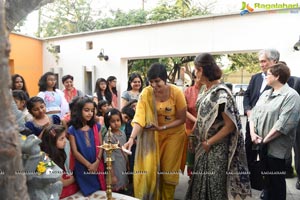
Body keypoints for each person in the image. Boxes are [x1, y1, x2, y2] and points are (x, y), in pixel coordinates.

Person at [185, 53, 251, 200]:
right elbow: (202, 116)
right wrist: (192, 135)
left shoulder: (221, 94)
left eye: (195, 70)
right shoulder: (205, 90)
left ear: (201, 70)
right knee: (199, 184)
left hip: (215, 149)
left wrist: (209, 142)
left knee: (214, 187)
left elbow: (229, 125)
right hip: (202, 147)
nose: (195, 74)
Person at [123, 63, 187, 200]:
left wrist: (163, 127)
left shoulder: (176, 92)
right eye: (151, 82)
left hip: (174, 136)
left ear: (165, 79)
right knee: (153, 171)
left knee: (168, 172)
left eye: (157, 81)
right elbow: (139, 117)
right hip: (154, 137)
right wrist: (131, 138)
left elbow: (182, 119)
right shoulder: (146, 93)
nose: (154, 85)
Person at [249, 63, 300, 200]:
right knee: (266, 182)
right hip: (260, 144)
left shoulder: (291, 96)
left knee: (276, 183)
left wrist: (264, 141)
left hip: (276, 149)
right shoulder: (266, 93)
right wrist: (253, 135)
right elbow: (253, 115)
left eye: (268, 74)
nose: (265, 76)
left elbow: (283, 125)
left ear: (277, 76)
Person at [243, 49, 279, 191]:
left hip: (267, 125)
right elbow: (247, 95)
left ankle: (265, 186)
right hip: (250, 122)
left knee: (265, 154)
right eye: (260, 61)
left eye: (264, 61)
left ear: (274, 62)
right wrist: (248, 110)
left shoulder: (279, 81)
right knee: (248, 152)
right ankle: (251, 181)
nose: (261, 64)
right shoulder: (256, 77)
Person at [68, 97, 106, 196]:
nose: (90, 113)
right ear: (79, 111)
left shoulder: (96, 126)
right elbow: (75, 152)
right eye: (86, 110)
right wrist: (89, 165)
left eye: (92, 111)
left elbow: (101, 146)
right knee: (86, 194)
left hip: (97, 165)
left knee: (99, 192)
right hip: (82, 167)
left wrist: (97, 162)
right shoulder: (72, 130)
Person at [40, 124, 79, 199]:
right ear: (52, 141)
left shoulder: (57, 152)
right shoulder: (46, 159)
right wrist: (74, 178)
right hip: (49, 188)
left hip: (57, 179)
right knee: (76, 185)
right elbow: (62, 183)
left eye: (65, 137)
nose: (65, 141)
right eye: (61, 139)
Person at [103, 108, 129, 193]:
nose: (116, 123)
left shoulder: (122, 133)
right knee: (116, 189)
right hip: (115, 168)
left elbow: (125, 151)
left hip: (123, 165)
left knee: (123, 186)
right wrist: (112, 175)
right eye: (113, 121)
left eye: (118, 120)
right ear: (108, 123)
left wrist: (127, 164)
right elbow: (109, 158)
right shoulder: (109, 137)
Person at [184, 70, 204, 177]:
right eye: (198, 76)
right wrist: (197, 121)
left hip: (206, 130)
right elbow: (184, 110)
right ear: (194, 77)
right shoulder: (188, 91)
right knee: (192, 157)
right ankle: (192, 179)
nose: (200, 79)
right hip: (191, 129)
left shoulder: (209, 91)